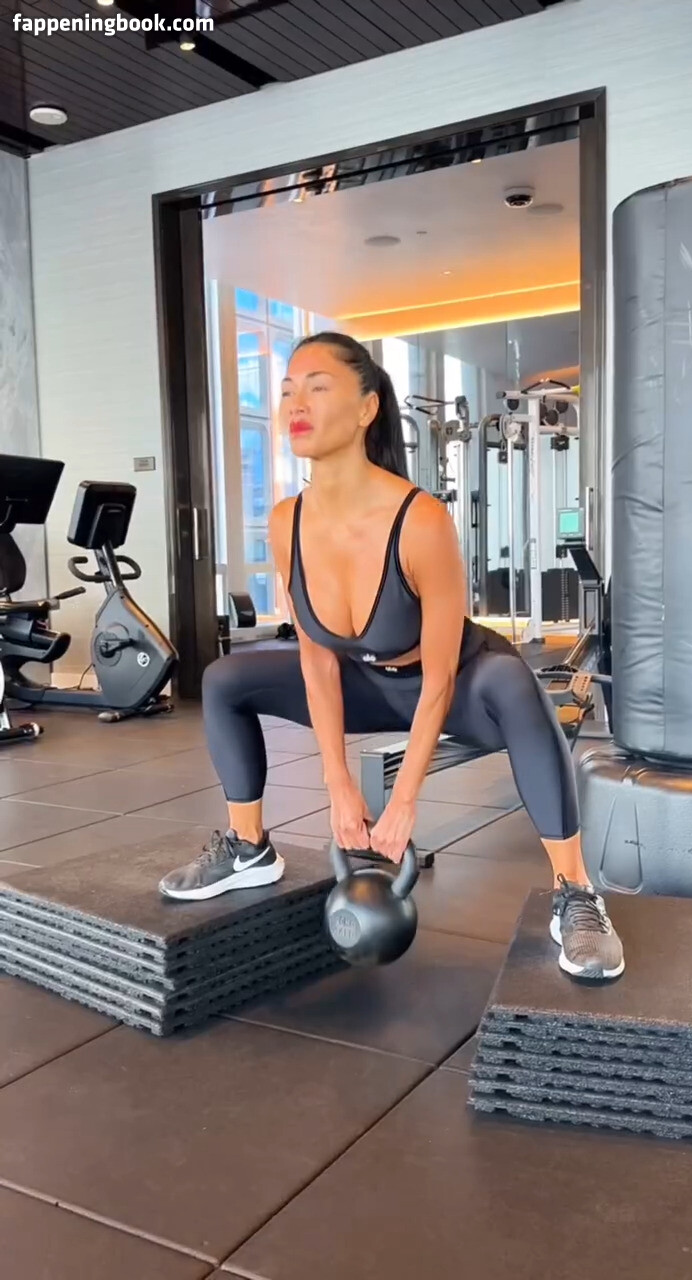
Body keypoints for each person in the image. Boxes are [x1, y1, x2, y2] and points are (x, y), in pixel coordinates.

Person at [159, 332, 624, 983]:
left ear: (366, 407)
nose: (295, 403)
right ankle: (248, 847)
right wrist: (339, 786)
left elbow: (441, 676)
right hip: (364, 681)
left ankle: (575, 891)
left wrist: (404, 801)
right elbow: (318, 662)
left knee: (515, 686)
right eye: (288, 390)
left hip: (457, 684)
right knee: (225, 679)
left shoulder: (419, 519)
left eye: (317, 387)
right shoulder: (288, 521)